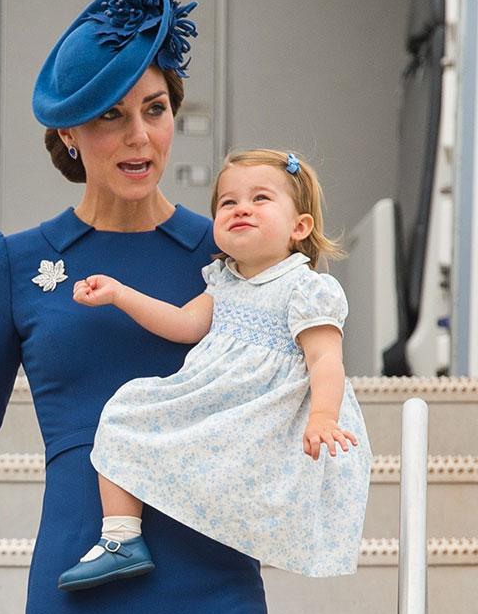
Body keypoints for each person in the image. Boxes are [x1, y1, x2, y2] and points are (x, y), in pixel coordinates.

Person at [0, 0, 271, 614]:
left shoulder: (230, 258)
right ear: (69, 131)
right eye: (111, 116)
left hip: (213, 590)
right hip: (80, 590)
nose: (139, 137)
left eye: (154, 111)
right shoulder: (14, 263)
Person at [58, 149, 372, 591]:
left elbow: (325, 358)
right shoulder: (222, 281)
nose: (241, 207)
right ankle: (122, 538)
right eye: (228, 202)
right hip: (218, 407)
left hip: (267, 417)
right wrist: (120, 294)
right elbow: (184, 324)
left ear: (300, 227)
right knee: (126, 409)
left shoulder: (307, 288)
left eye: (261, 198)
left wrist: (323, 416)